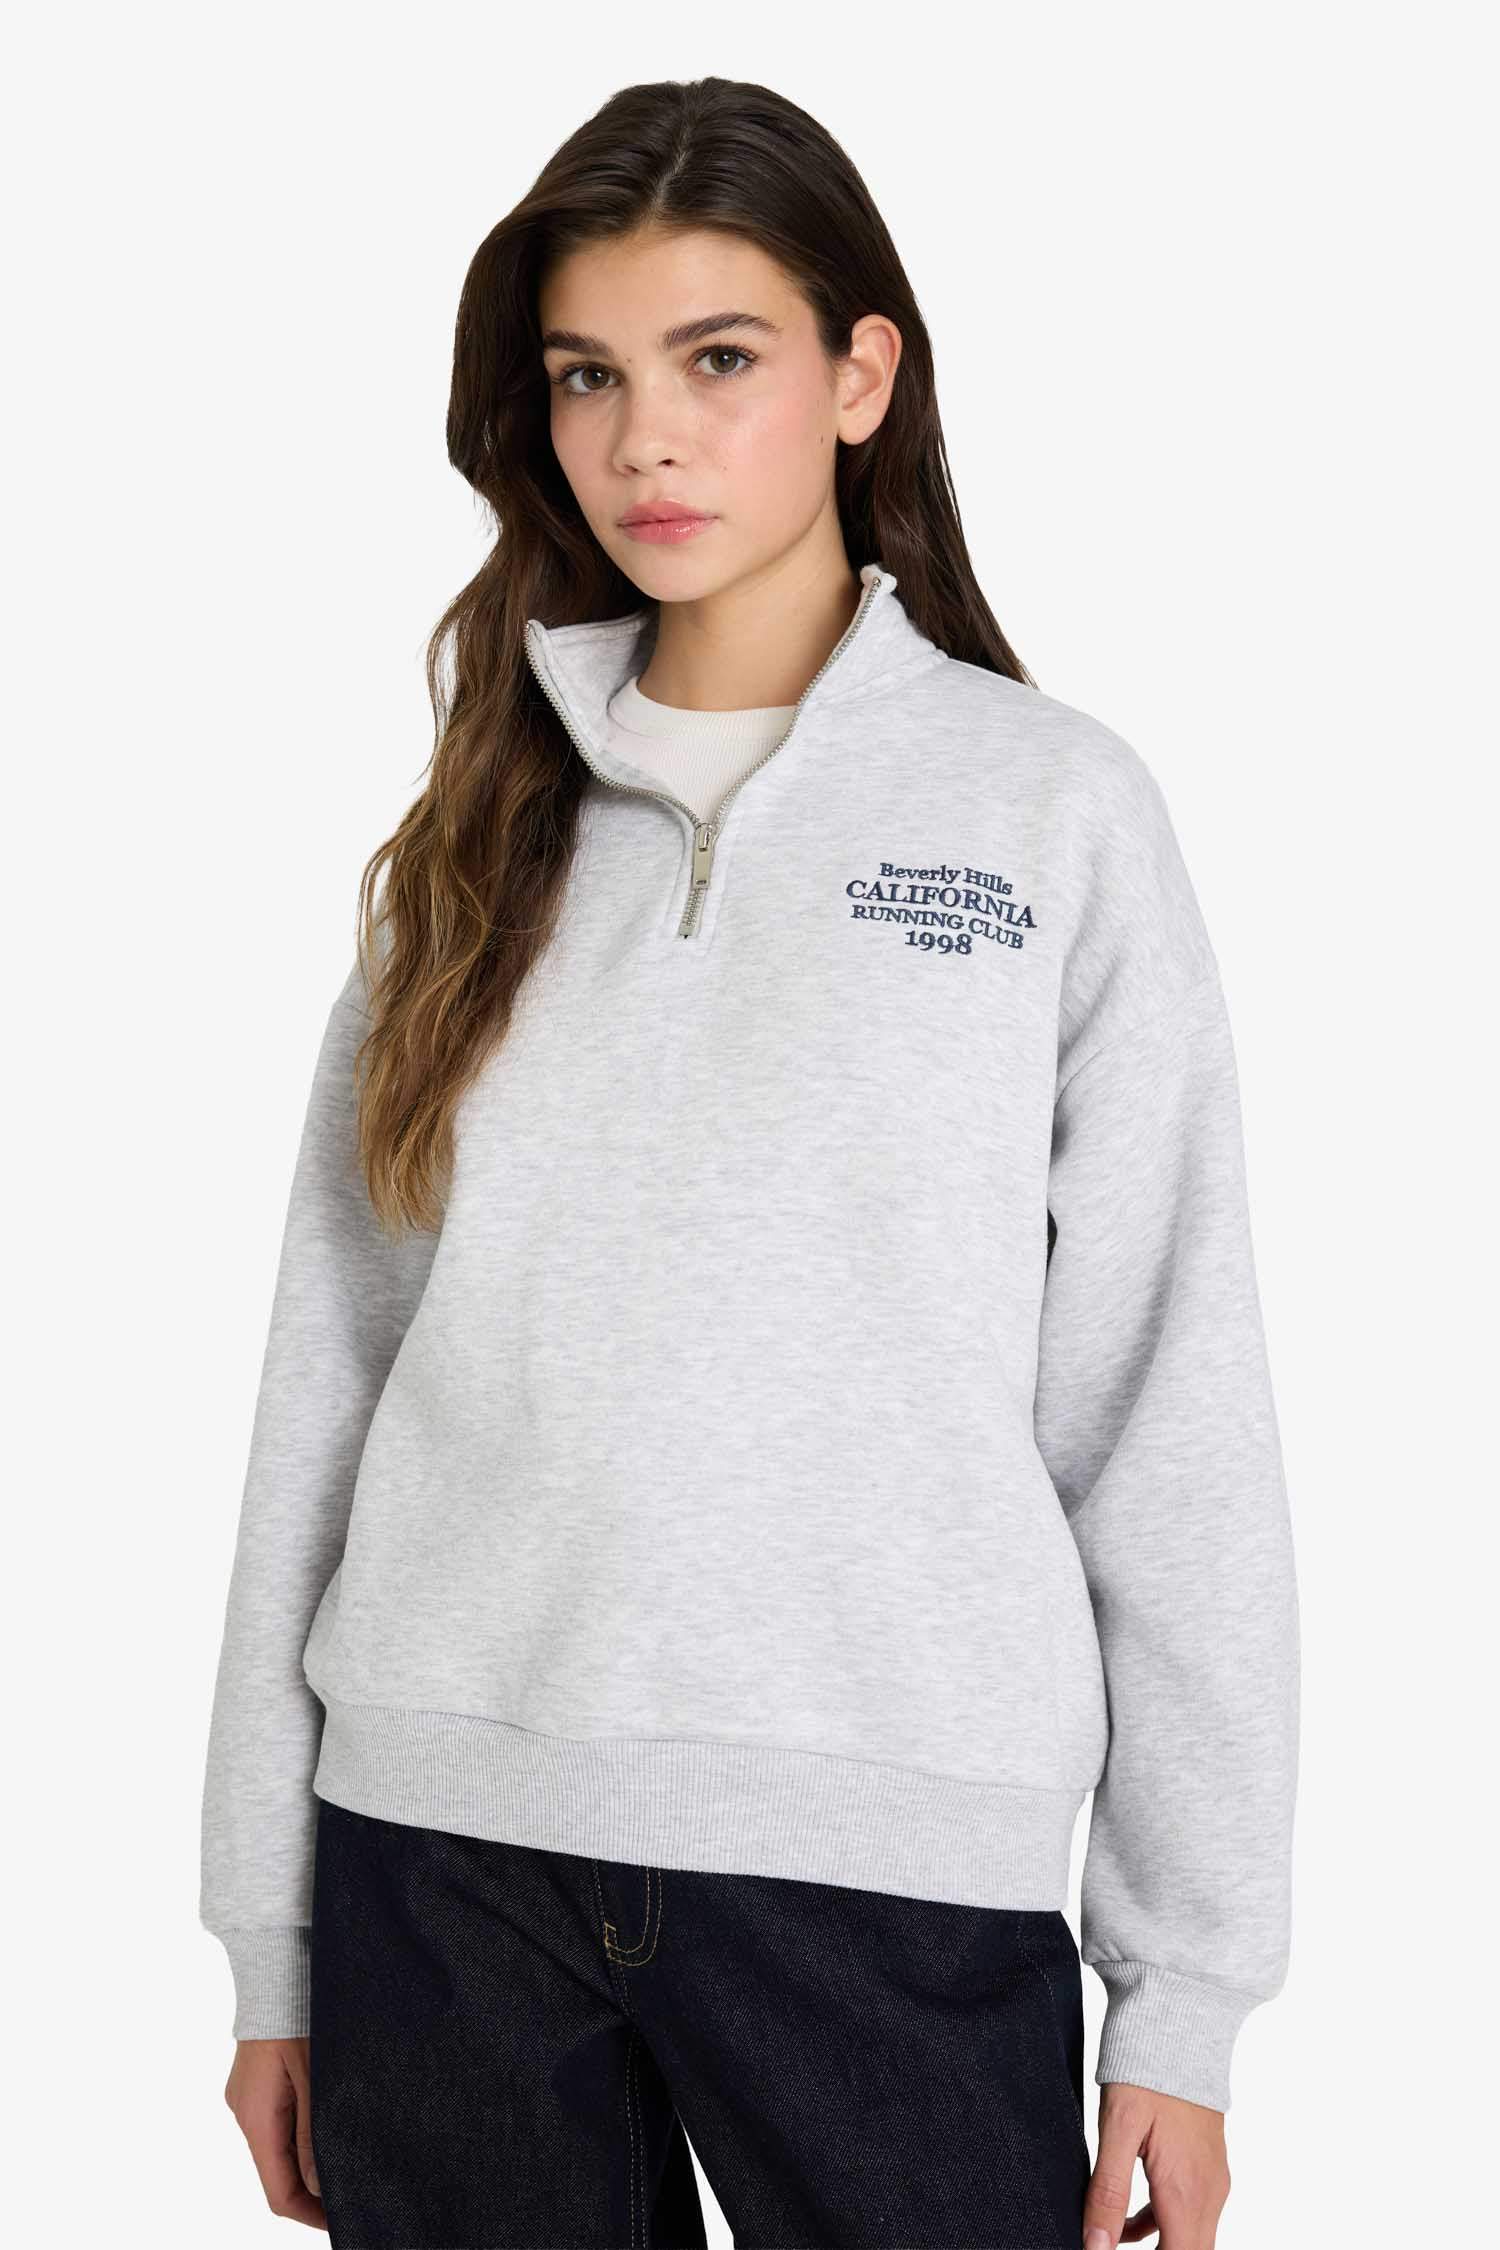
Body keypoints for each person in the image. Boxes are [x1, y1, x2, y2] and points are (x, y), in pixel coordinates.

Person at [200, 74, 1300, 2250]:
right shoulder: (473, 844)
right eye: (587, 377)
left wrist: (1186, 1991)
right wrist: (273, 1938)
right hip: (440, 1860)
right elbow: (327, 1387)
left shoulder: (1047, 815)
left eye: (719, 360)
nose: (647, 442)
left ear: (861, 375)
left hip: (884, 1875)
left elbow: (1166, 1410)